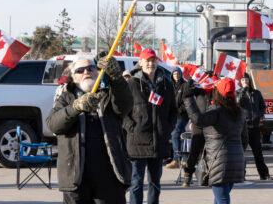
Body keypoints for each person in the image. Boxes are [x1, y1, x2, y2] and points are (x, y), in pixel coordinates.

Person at [46, 57, 133, 204]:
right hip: (75, 177)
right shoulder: (66, 97)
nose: (86, 72)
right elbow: (54, 125)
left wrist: (117, 78)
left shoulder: (108, 93)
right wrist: (75, 107)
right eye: (80, 70)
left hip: (110, 175)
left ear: (97, 71)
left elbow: (125, 105)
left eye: (90, 68)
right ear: (73, 77)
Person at [125, 48, 177, 204]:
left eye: (153, 60)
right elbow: (122, 112)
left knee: (155, 183)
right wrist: (131, 128)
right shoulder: (132, 83)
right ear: (140, 62)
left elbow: (173, 110)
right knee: (136, 182)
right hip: (137, 141)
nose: (150, 64)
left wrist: (167, 128)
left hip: (159, 141)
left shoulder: (166, 84)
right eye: (147, 60)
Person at [184, 78, 247, 204]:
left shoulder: (217, 111)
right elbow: (245, 139)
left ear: (218, 93)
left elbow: (198, 119)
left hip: (219, 161)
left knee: (222, 199)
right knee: (220, 197)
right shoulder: (240, 112)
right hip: (237, 160)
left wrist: (188, 97)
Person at [237, 73, 273, 180]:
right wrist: (242, 92)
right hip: (243, 128)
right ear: (240, 82)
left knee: (258, 153)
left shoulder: (256, 93)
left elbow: (262, 106)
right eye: (243, 80)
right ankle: (240, 175)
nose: (245, 82)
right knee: (241, 153)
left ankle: (264, 174)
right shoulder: (237, 93)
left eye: (247, 80)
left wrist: (260, 115)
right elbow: (237, 104)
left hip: (255, 127)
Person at [182, 74, 214, 187]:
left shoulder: (216, 90)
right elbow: (187, 94)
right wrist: (190, 82)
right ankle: (187, 175)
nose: (209, 81)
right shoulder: (200, 89)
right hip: (199, 124)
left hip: (212, 125)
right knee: (194, 151)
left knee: (210, 152)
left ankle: (207, 175)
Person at [166, 68, 188, 170]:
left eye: (178, 73)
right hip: (172, 114)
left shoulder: (184, 85)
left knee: (175, 134)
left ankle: (176, 159)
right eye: (174, 73)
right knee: (180, 135)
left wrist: (177, 109)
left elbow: (186, 102)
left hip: (182, 114)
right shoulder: (170, 85)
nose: (176, 75)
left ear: (181, 74)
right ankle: (184, 159)